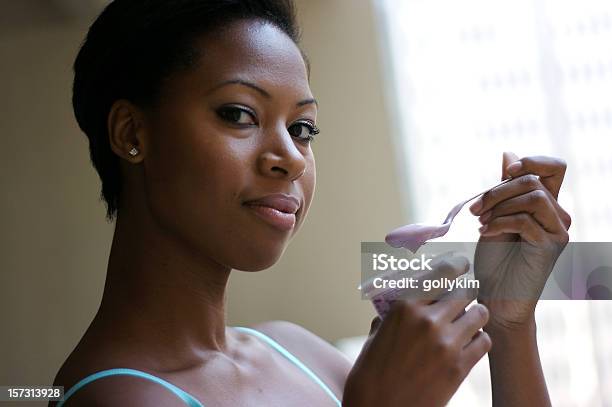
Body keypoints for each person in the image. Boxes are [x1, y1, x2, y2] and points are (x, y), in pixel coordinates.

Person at [51, 0, 571, 405]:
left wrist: (508, 322)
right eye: (239, 114)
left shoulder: (297, 353)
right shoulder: (114, 397)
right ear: (131, 132)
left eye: (302, 128)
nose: (291, 159)